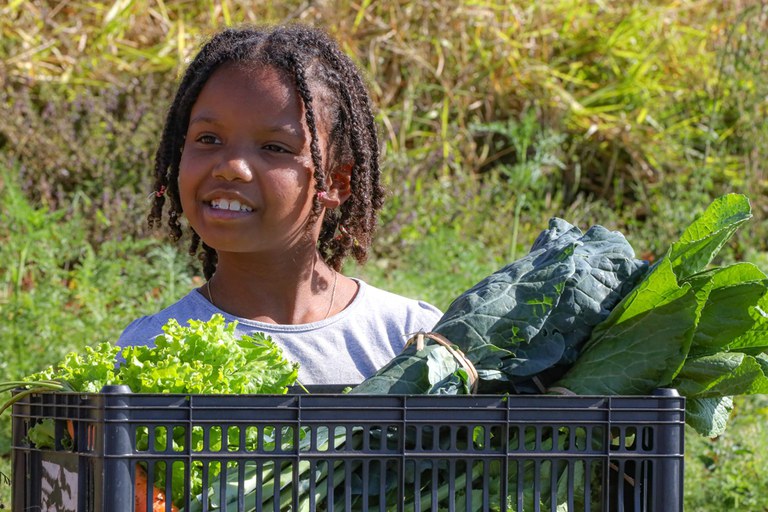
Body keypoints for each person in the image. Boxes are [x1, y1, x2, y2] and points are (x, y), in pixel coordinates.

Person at [117, 24, 443, 386]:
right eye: (208, 139)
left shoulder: (411, 340)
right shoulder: (150, 350)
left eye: (274, 147)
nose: (230, 168)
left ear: (336, 181)